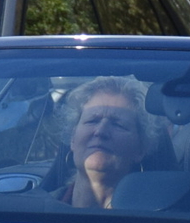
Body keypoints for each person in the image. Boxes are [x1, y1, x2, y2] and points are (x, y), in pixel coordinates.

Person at [45, 75, 162, 209]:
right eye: (92, 121)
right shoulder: (35, 212)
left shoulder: (159, 222)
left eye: (118, 125)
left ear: (140, 148)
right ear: (73, 138)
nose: (100, 131)